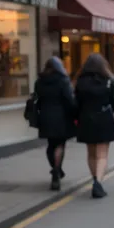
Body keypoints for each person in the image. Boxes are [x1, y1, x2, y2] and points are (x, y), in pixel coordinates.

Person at [75, 53, 114, 199]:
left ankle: (95, 178)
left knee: (91, 152)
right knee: (102, 153)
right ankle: (98, 183)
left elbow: (75, 103)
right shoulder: (110, 81)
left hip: (86, 119)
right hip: (104, 118)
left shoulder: (80, 82)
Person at [34, 56, 76, 191]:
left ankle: (55, 169)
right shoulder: (63, 80)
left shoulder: (40, 81)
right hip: (61, 117)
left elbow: (37, 99)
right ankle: (56, 170)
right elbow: (69, 99)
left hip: (45, 116)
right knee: (60, 145)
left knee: (50, 145)